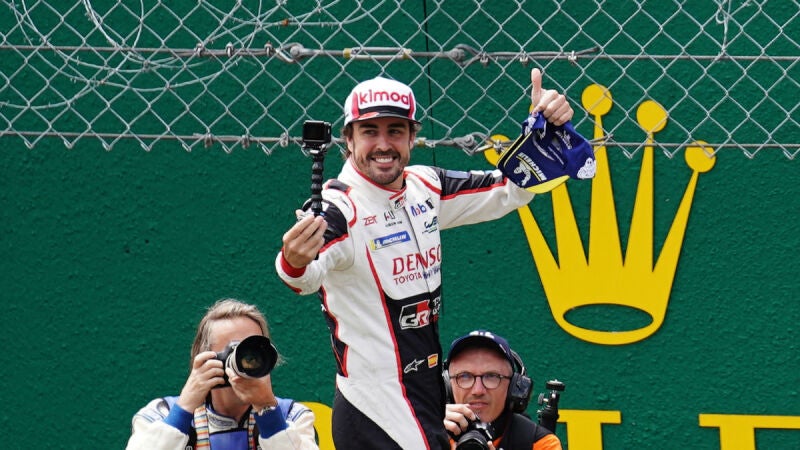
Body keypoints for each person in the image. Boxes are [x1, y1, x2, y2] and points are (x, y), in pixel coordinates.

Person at [276, 69, 575, 449]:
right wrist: (294, 257)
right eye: (369, 132)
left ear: (412, 137)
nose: (383, 144)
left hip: (424, 396)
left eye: (395, 131)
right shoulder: (341, 208)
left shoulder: (425, 185)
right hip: (375, 408)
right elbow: (304, 275)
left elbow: (509, 190)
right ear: (348, 140)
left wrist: (542, 132)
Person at [126, 298, 318, 450]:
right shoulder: (161, 413)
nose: (247, 361)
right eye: (233, 351)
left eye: (254, 352)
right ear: (205, 359)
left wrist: (268, 411)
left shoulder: (291, 416)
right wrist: (184, 408)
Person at [443, 330, 562, 450]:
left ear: (514, 387)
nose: (478, 391)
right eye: (464, 376)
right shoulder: (433, 434)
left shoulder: (541, 443)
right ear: (447, 385)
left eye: (491, 376)